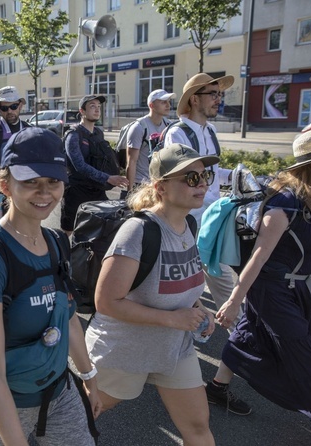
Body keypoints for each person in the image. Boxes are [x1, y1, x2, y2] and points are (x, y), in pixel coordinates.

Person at [0, 127, 102, 445]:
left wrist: (88, 377)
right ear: (5, 185)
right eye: (30, 182)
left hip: (57, 392)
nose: (44, 192)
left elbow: (68, 316)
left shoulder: (55, 242)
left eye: (53, 182)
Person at [217, 127, 311, 446]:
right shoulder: (284, 204)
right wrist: (235, 300)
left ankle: (216, 387)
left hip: (297, 288)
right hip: (272, 289)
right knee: (306, 358)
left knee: (249, 335)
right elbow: (259, 258)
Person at [85, 143, 218, 445]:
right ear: (161, 187)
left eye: (204, 175)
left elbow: (181, 284)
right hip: (124, 350)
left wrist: (199, 311)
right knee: (82, 417)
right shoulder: (139, 230)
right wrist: (174, 320)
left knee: (198, 426)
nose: (203, 184)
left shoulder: (189, 224)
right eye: (191, 178)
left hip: (173, 349)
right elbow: (106, 302)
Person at [163, 72, 252, 415]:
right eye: (212, 93)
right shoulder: (177, 132)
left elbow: (210, 175)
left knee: (226, 303)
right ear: (194, 98)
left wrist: (237, 176)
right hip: (185, 229)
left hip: (212, 226)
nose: (219, 98)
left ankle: (216, 379)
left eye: (219, 93)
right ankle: (179, 378)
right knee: (190, 302)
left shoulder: (209, 131)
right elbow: (177, 180)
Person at [61, 95, 129, 235]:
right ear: (82, 111)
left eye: (99, 106)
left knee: (101, 228)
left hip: (97, 189)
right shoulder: (73, 135)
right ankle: (63, 256)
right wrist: (107, 178)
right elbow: (79, 165)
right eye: (92, 106)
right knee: (69, 231)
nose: (97, 110)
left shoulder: (98, 133)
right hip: (76, 191)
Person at [0, 86, 31, 208]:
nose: (9, 111)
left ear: (20, 105)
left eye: (13, 106)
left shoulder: (29, 130)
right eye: (4, 108)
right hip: (0, 197)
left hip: (25, 192)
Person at [124, 89, 175, 191]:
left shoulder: (169, 125)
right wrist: (129, 191)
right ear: (151, 105)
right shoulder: (139, 127)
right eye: (163, 102)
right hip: (141, 184)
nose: (168, 105)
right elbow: (131, 162)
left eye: (169, 102)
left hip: (159, 183)